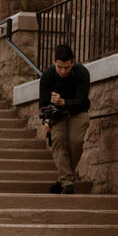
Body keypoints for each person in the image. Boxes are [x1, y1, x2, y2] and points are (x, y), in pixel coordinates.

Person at [39, 43, 91, 194]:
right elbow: (43, 104)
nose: (63, 71)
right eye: (59, 67)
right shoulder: (47, 75)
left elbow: (82, 101)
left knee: (76, 142)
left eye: (67, 67)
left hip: (78, 111)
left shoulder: (82, 73)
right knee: (58, 140)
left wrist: (63, 102)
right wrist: (46, 120)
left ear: (73, 62)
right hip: (57, 115)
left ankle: (62, 180)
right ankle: (67, 183)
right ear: (54, 61)